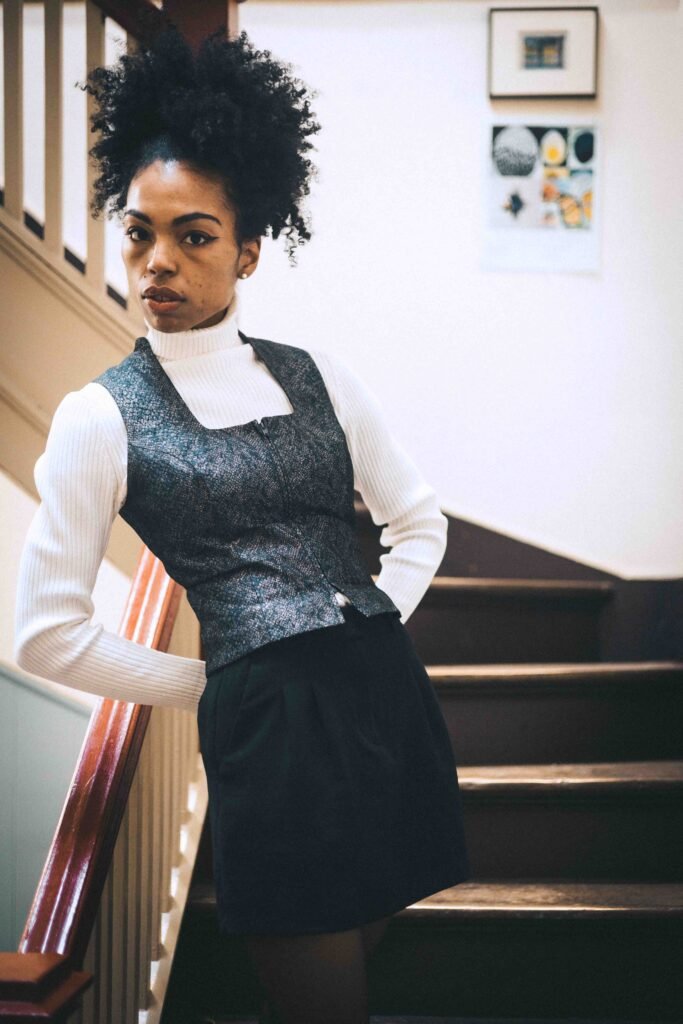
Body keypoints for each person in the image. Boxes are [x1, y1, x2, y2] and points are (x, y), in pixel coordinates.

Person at [14, 28, 470, 1024]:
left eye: (194, 236)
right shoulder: (100, 417)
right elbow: (43, 633)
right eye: (138, 233)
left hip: (383, 699)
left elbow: (417, 522)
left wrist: (366, 628)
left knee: (368, 947)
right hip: (267, 730)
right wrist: (220, 681)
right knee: (321, 1000)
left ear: (248, 250)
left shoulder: (316, 374)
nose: (158, 261)